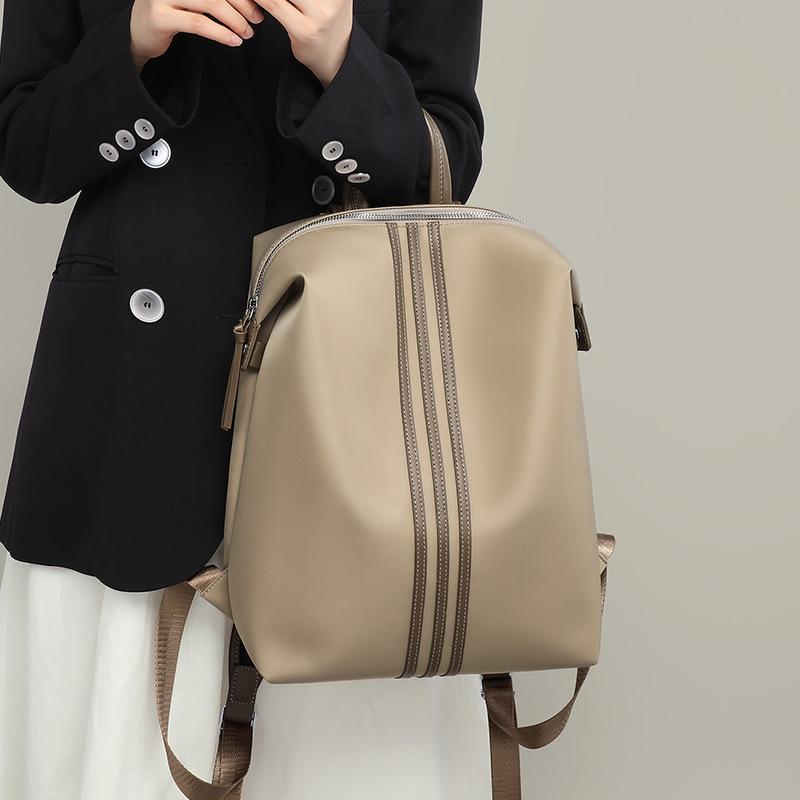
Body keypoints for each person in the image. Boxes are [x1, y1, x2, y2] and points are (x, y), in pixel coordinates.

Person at [0, 0, 489, 798]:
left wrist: (341, 61)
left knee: (342, 761)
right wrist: (133, 43)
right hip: (134, 401)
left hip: (340, 401)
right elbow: (26, 148)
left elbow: (447, 163)